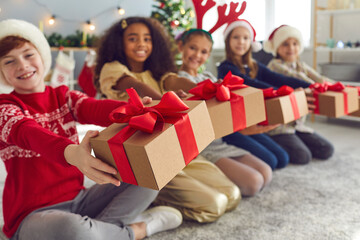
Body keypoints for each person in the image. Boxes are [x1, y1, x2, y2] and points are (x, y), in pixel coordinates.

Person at [0, 19, 183, 240]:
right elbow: (27, 132)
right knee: (72, 229)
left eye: (28, 55)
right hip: (32, 215)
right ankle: (136, 230)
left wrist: (139, 110)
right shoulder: (5, 107)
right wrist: (72, 153)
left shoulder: (63, 96)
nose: (22, 65)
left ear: (42, 56)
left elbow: (94, 108)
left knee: (152, 169)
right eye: (9, 61)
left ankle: (98, 232)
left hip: (81, 200)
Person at [94, 17, 241, 223]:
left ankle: (160, 199)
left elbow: (174, 80)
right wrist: (165, 100)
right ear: (119, 42)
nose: (141, 44)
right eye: (133, 38)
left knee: (233, 195)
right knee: (214, 206)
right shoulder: (113, 69)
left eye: (147, 39)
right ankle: (149, 204)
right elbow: (134, 86)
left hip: (174, 148)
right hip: (143, 158)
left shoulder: (157, 71)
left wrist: (206, 88)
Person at [177, 28, 272, 195]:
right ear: (181, 47)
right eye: (192, 48)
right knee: (254, 182)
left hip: (219, 141)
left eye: (204, 51)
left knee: (266, 172)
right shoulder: (175, 80)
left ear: (209, 55)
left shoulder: (208, 77)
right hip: (200, 147)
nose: (197, 55)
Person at [262, 24, 334, 164]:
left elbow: (318, 77)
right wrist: (319, 86)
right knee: (302, 157)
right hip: (279, 127)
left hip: (297, 125)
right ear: (276, 47)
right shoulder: (275, 65)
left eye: (295, 44)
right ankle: (271, 141)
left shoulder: (300, 64)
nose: (291, 48)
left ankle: (297, 141)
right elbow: (299, 79)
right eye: (285, 44)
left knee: (326, 149)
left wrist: (339, 86)